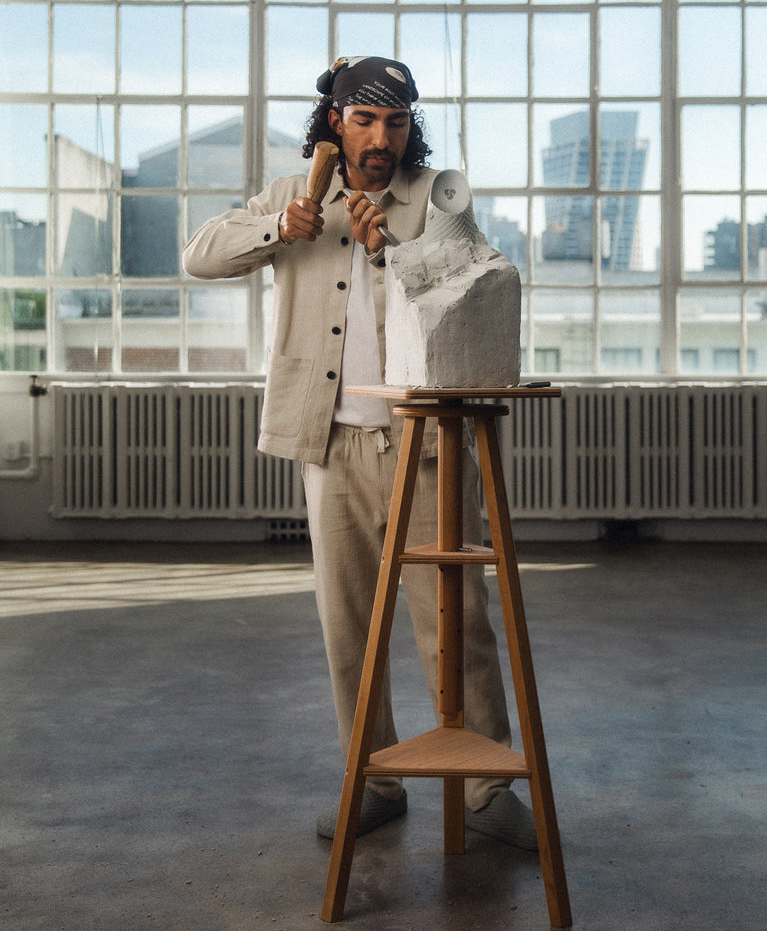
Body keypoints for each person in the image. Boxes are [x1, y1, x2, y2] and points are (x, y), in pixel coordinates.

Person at [183, 55, 537, 850]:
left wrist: (389, 254)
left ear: (412, 127)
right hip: (330, 441)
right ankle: (373, 778)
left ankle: (485, 788)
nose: (383, 139)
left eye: (398, 122)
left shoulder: (438, 196)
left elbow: (478, 287)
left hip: (429, 441)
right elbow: (201, 254)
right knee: (349, 622)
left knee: (456, 617)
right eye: (366, 120)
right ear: (335, 121)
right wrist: (282, 228)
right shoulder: (294, 194)